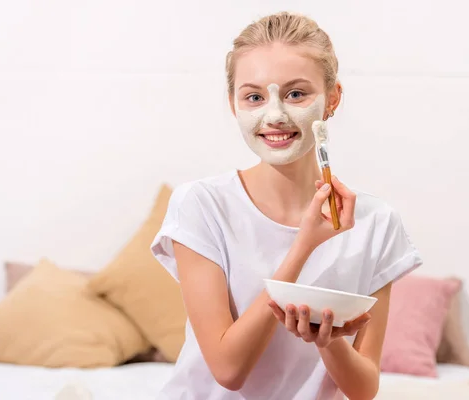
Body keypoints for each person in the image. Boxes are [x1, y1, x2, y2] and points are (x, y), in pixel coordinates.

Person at [151, 11, 422, 400]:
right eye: (254, 96)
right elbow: (228, 369)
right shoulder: (201, 206)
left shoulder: (376, 223)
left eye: (296, 93)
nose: (274, 115)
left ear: (332, 99)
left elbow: (364, 389)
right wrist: (304, 247)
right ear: (234, 104)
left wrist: (328, 340)